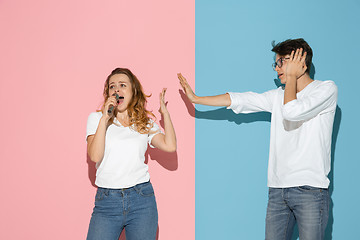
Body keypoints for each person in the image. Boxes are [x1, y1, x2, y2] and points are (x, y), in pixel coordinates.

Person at [178, 38, 337, 240]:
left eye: (282, 62)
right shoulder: (277, 96)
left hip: (310, 190)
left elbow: (292, 111)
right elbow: (241, 99)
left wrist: (291, 78)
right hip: (278, 191)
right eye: (276, 63)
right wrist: (197, 99)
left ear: (302, 63)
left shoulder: (326, 89)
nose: (277, 68)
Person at [86, 68, 176, 240]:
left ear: (133, 91)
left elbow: (170, 146)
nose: (116, 90)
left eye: (122, 85)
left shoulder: (144, 122)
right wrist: (105, 119)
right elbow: (95, 156)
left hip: (141, 199)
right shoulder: (97, 119)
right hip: (107, 201)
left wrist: (165, 114)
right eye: (112, 87)